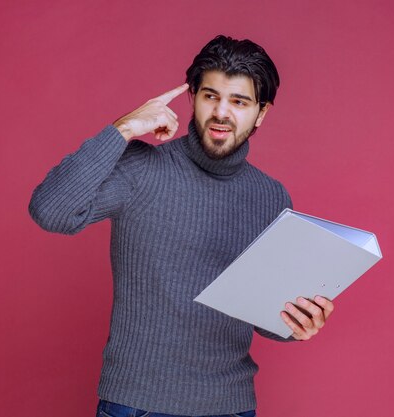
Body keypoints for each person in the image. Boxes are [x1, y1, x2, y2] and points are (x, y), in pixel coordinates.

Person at [29, 35, 334, 417]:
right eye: (210, 96)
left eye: (239, 102)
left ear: (262, 112)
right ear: (192, 98)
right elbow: (50, 210)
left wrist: (298, 323)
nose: (221, 113)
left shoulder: (272, 197)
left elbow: (268, 319)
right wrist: (123, 128)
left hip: (231, 406)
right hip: (137, 405)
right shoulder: (141, 167)